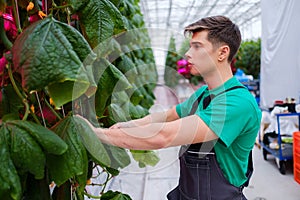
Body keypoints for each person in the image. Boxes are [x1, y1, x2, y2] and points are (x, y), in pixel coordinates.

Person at [78, 15, 262, 199]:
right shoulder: (204, 94)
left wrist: (95, 133)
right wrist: (128, 125)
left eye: (197, 46)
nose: (188, 53)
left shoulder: (237, 103)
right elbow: (167, 116)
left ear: (222, 53)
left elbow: (163, 136)